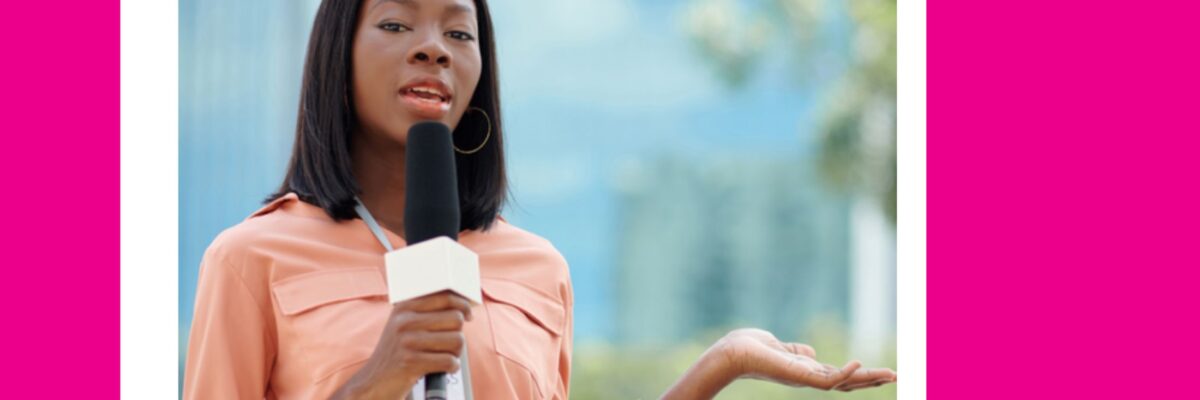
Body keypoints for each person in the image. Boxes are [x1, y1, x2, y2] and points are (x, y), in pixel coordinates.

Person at [182, 0, 897, 398]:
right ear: (335, 58)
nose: (433, 48)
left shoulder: (538, 269)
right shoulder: (252, 259)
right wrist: (377, 380)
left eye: (458, 32)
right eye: (397, 24)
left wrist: (722, 364)